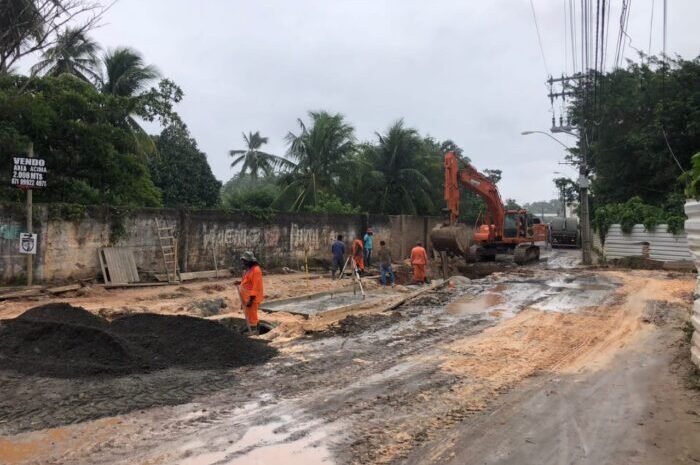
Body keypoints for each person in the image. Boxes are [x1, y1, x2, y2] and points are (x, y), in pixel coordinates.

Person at [238, 251, 264, 334]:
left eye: (245, 261)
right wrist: (239, 283)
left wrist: (251, 299)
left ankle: (254, 332)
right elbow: (248, 282)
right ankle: (255, 330)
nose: (243, 263)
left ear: (250, 261)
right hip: (246, 298)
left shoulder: (256, 270)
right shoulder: (249, 270)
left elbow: (256, 286)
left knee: (252, 316)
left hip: (252, 298)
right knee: (250, 315)